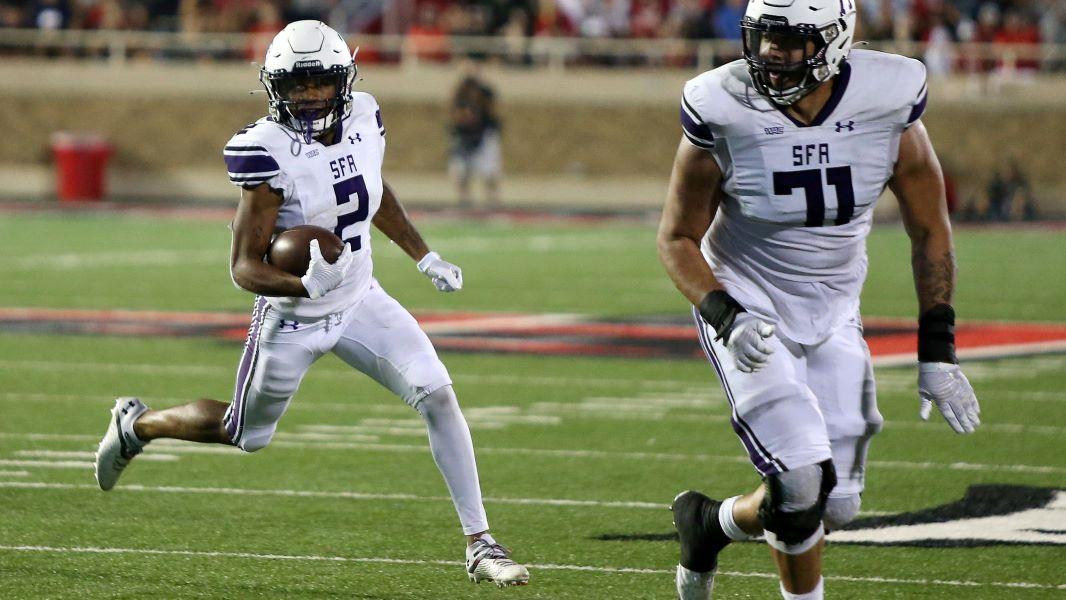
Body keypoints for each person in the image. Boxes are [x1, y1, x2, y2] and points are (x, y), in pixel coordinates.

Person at [92, 20, 529, 588]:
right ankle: (138, 425)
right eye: (295, 85)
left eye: (319, 81)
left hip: (361, 296)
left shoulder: (366, 117)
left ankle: (480, 544)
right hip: (292, 318)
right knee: (244, 432)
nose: (308, 95)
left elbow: (371, 191)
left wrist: (423, 255)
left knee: (438, 396)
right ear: (274, 87)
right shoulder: (265, 150)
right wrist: (303, 287)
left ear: (342, 79)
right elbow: (244, 267)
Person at [656, 1, 981, 598]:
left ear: (834, 40)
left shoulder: (888, 98)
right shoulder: (722, 104)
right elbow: (676, 238)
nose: (771, 52)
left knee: (838, 505)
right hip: (748, 302)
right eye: (762, 36)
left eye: (788, 38)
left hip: (834, 312)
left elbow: (929, 227)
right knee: (803, 481)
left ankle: (710, 523)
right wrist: (725, 313)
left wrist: (938, 349)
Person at [449, 65, 502, 207]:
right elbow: (456, 117)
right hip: (465, 137)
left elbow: (492, 113)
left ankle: (492, 200)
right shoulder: (461, 95)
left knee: (489, 172)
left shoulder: (485, 94)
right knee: (461, 172)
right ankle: (464, 201)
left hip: (483, 136)